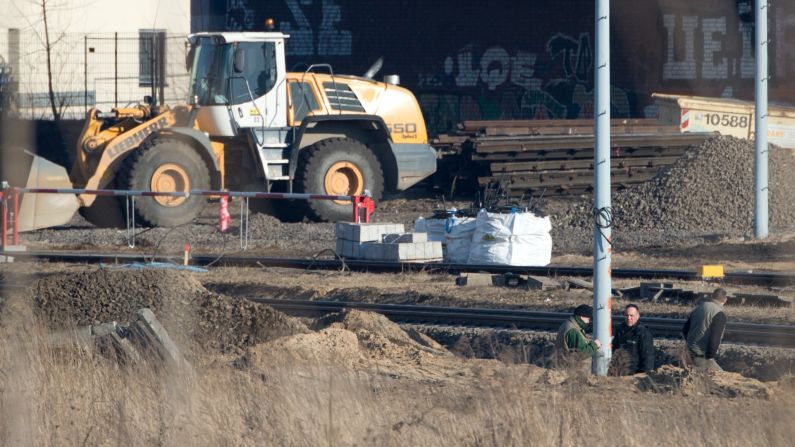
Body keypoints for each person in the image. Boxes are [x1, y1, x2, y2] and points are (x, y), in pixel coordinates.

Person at [682, 288, 729, 371]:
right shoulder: (719, 313)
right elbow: (715, 339)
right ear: (725, 300)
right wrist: (709, 356)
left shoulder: (699, 307)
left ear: (711, 296)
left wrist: (691, 345)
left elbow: (685, 330)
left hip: (688, 352)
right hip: (700, 355)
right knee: (720, 376)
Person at [611, 304, 655, 374]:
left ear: (637, 316)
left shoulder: (643, 333)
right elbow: (614, 349)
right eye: (626, 315)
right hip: (619, 372)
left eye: (631, 315)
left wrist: (644, 376)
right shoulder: (620, 330)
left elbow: (648, 357)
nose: (628, 318)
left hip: (635, 373)